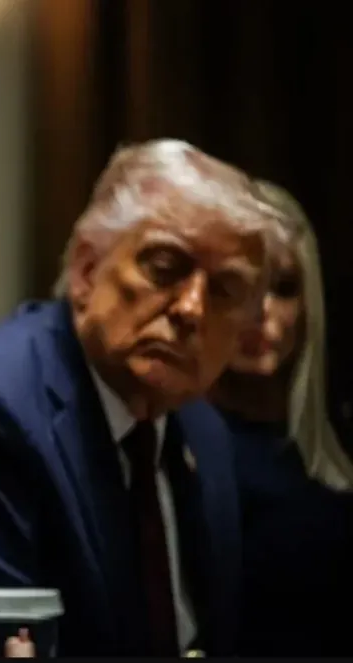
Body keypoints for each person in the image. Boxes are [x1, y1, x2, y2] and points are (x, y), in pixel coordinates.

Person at [0, 139, 284, 656]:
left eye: (226, 289)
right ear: (86, 270)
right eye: (165, 266)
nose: (190, 308)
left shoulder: (201, 429)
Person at [208, 179, 353, 656]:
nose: (260, 313)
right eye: (238, 286)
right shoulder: (174, 451)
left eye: (284, 288)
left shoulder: (332, 443)